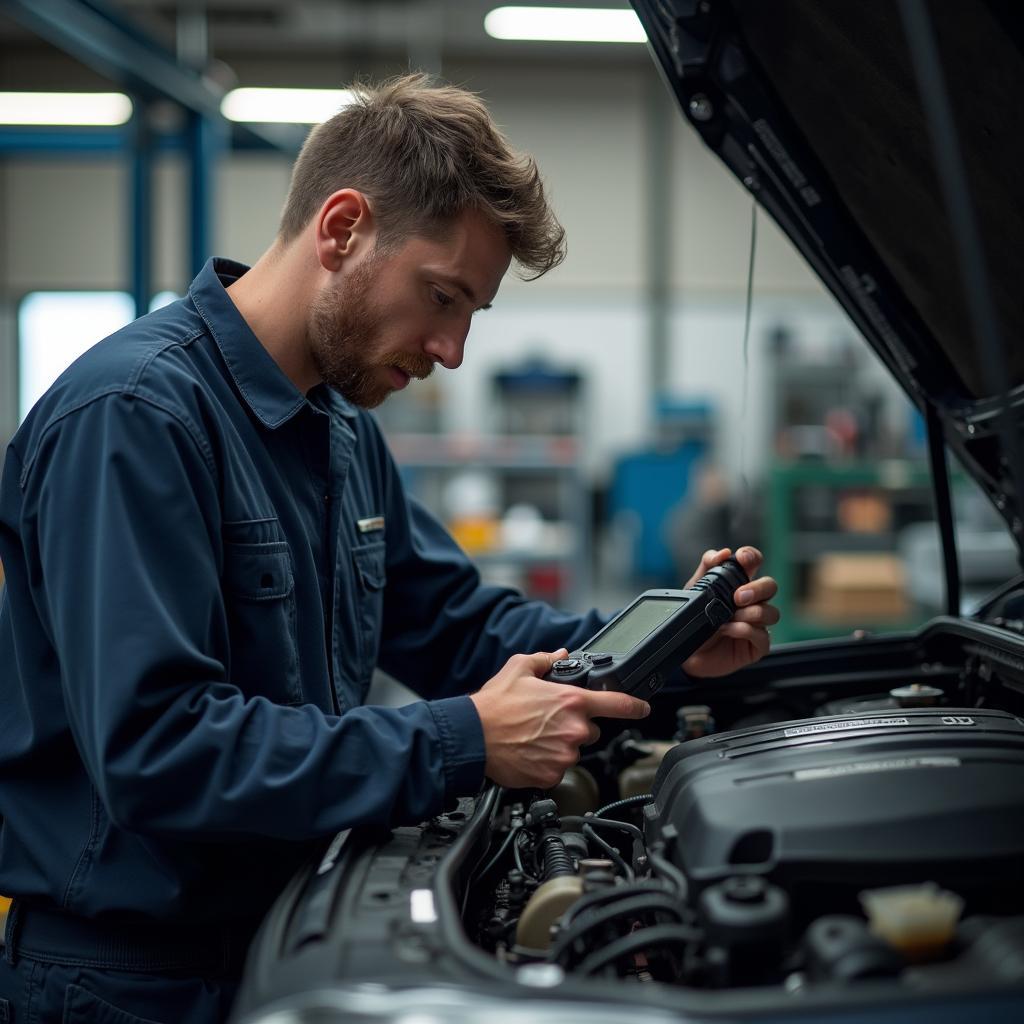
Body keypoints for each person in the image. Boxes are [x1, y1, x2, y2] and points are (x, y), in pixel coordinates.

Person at [0, 74, 778, 1022]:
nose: (450, 349)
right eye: (441, 297)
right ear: (341, 229)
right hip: (134, 982)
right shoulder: (135, 418)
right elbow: (159, 747)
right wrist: (461, 740)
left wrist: (666, 651)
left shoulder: (339, 429)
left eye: (470, 315)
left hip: (279, 932)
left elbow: (456, 627)